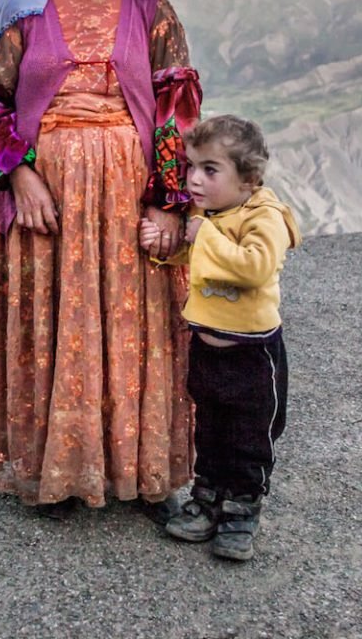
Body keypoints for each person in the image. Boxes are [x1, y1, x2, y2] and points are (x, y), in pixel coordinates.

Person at [0, 0, 202, 515]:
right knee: (53, 323)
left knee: (135, 324)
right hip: (47, 195)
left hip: (129, 191)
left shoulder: (150, 7)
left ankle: (138, 469)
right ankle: (58, 469)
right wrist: (19, 175)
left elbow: (178, 110)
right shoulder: (24, 7)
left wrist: (168, 201)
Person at [139, 114, 300, 560]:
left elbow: (255, 266)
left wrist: (203, 235)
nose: (194, 179)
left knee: (249, 437)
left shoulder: (264, 216)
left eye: (210, 169)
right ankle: (207, 499)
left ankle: (242, 510)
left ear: (248, 178)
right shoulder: (208, 215)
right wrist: (163, 247)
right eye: (191, 166)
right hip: (207, 347)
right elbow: (194, 256)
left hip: (252, 353)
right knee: (210, 431)